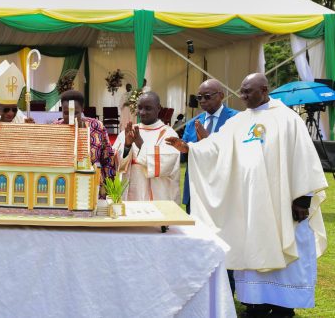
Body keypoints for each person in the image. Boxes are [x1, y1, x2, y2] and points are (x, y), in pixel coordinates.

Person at [166, 73, 327, 318]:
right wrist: (190, 148)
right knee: (251, 246)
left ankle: (284, 307)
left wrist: (302, 199)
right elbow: (216, 146)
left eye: (247, 91)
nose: (242, 96)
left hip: (282, 202)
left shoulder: (287, 119)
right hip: (249, 202)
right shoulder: (239, 121)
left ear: (263, 90)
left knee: (284, 248)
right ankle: (256, 304)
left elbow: (303, 157)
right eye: (241, 91)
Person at [181, 79, 238, 214]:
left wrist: (208, 140)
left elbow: (237, 153)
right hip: (195, 189)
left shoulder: (236, 119)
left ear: (221, 96)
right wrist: (181, 148)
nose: (202, 101)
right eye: (199, 97)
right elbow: (183, 158)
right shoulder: (192, 123)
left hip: (221, 190)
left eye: (207, 96)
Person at [112, 91, 180, 203]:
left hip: (157, 194)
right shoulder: (130, 131)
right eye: (140, 108)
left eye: (148, 108)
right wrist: (127, 146)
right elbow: (115, 161)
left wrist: (140, 144)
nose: (142, 112)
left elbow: (166, 165)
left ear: (159, 108)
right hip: (131, 188)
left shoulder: (168, 134)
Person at [53, 90, 115, 196]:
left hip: (94, 186)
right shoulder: (55, 128)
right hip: (63, 186)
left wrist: (109, 186)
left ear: (82, 109)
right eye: (66, 113)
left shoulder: (97, 126)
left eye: (75, 112)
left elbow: (108, 158)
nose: (70, 117)